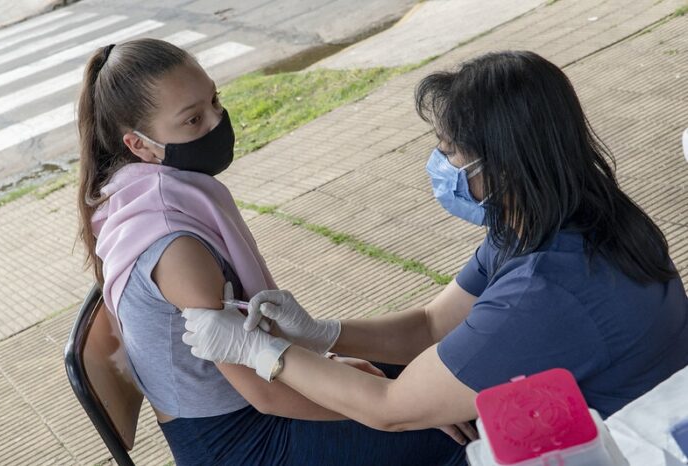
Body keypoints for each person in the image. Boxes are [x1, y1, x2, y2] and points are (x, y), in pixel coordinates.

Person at [182, 50, 688, 439]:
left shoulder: (547, 290)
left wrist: (263, 351)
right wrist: (321, 333)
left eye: (449, 153)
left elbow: (391, 409)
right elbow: (431, 324)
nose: (440, 166)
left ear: (501, 167)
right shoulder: (564, 215)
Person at [76, 38, 468, 466]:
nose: (217, 121)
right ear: (140, 145)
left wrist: (345, 368)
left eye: (214, 100)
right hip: (244, 443)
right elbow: (265, 394)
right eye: (192, 119)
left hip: (261, 403)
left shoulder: (143, 197)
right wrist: (400, 411)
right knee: (460, 427)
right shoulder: (175, 246)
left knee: (444, 375)